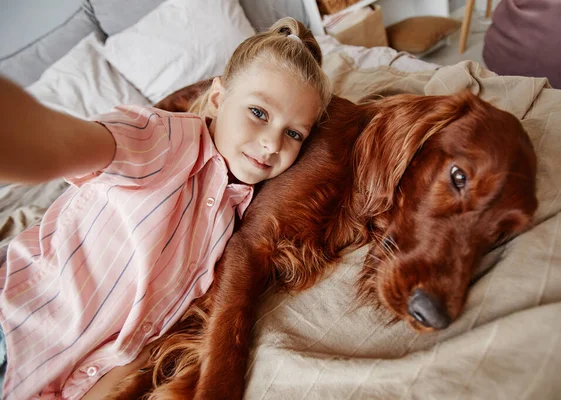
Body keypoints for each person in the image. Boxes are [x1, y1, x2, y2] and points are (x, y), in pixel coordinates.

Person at [0, 17, 331, 400]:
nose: (272, 144)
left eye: (294, 134)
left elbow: (144, 338)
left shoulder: (236, 217)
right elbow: (59, 143)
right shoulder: (162, 138)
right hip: (15, 325)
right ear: (219, 98)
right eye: (259, 113)